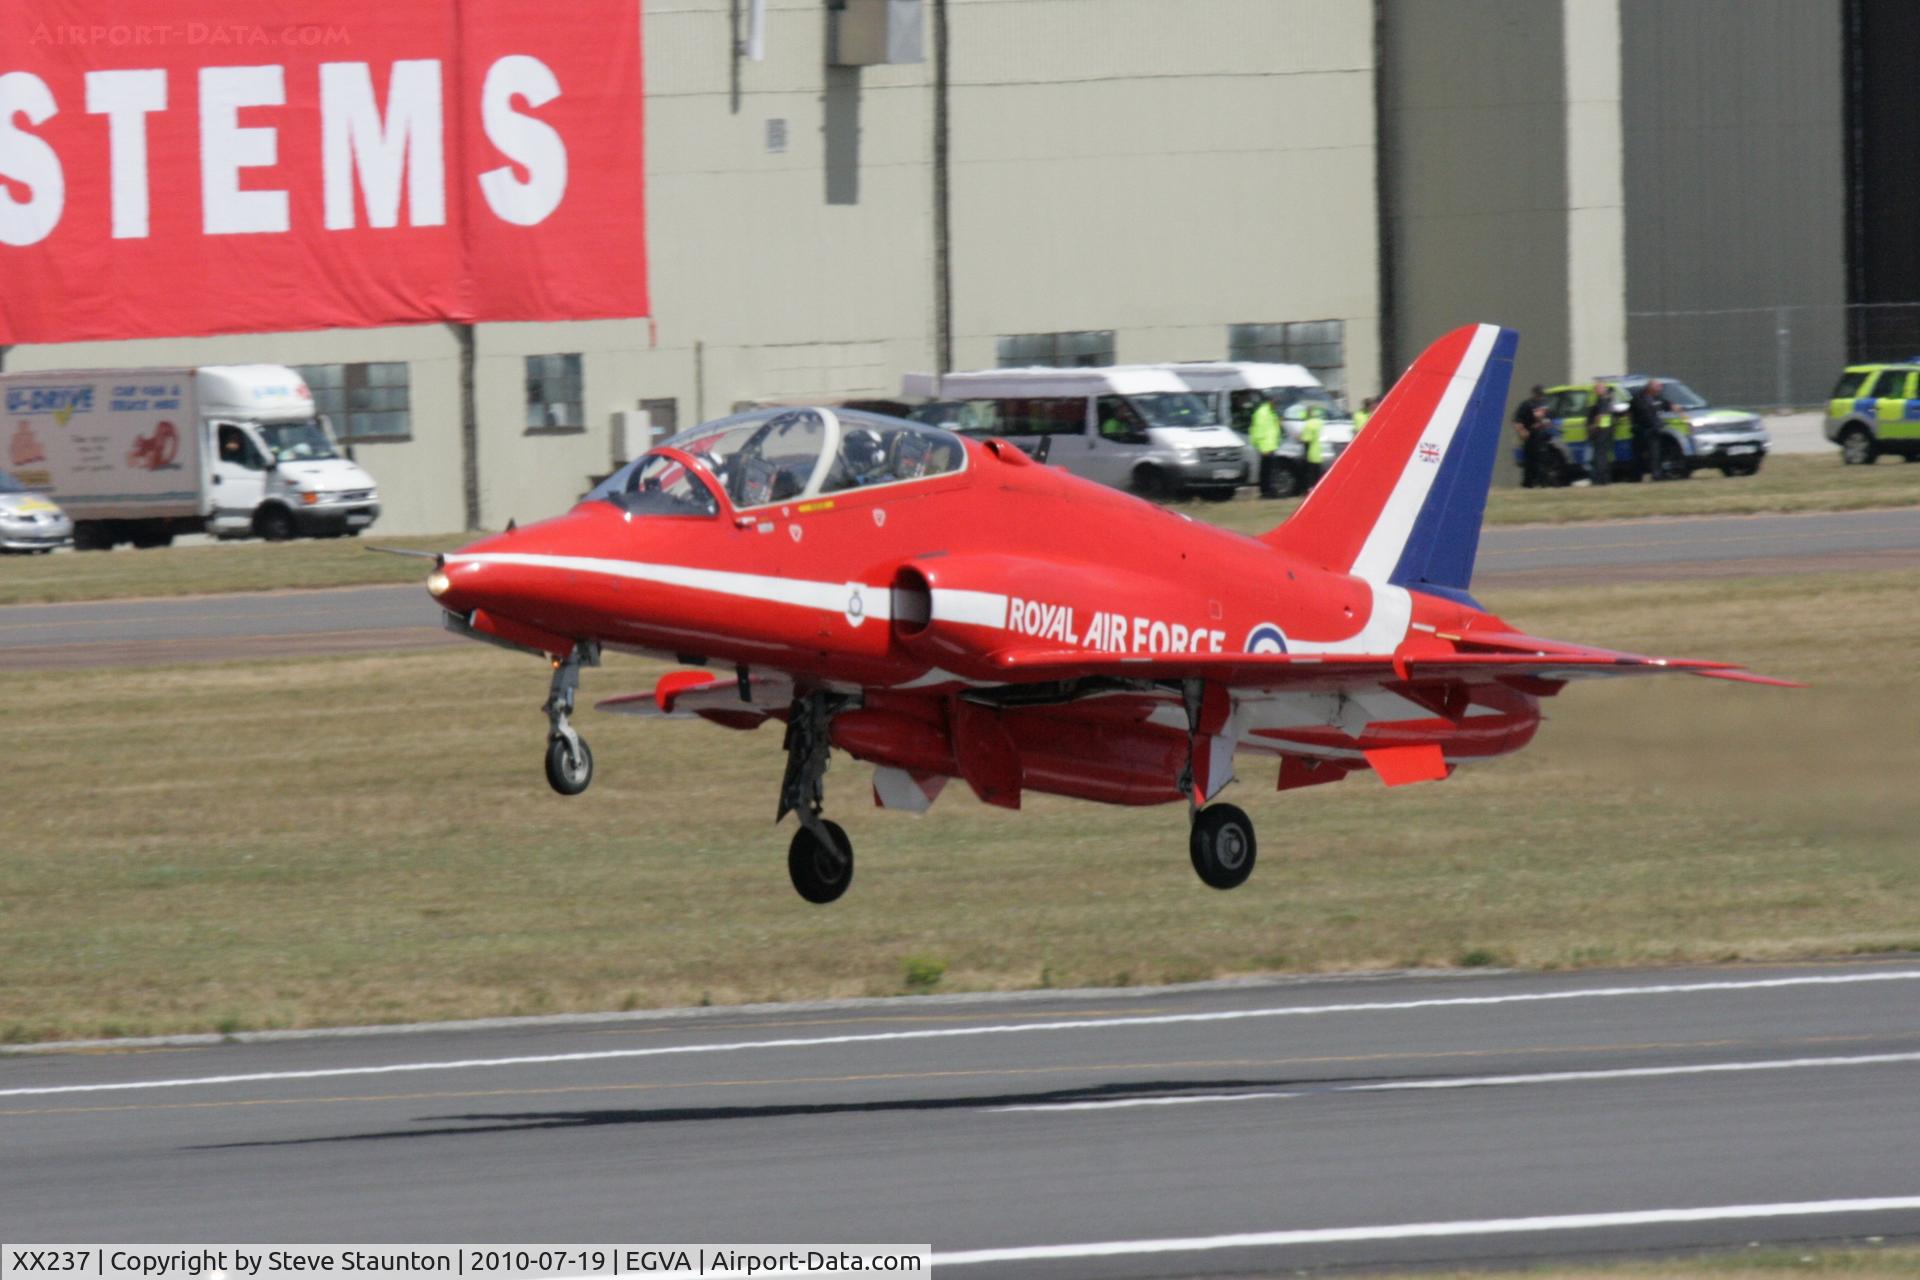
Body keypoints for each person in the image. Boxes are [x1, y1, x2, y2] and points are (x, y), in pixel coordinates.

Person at [1627, 378, 1673, 481]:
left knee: (1655, 454)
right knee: (1638, 456)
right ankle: (1636, 477)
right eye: (1657, 387)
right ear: (1650, 388)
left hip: (1654, 431)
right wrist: (1633, 424)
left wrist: (1673, 406)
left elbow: (1666, 405)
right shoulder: (1638, 398)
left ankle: (1656, 475)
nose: (1660, 389)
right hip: (1640, 431)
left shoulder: (1657, 398)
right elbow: (1630, 413)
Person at [1248, 392, 1285, 498]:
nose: (1277, 404)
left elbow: (1274, 429)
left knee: (1270, 470)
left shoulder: (1272, 412)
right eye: (1275, 402)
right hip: (1265, 447)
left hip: (1271, 445)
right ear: (1270, 401)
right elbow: (1258, 431)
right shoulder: (1262, 413)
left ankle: (1269, 490)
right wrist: (1262, 447)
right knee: (1266, 470)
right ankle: (1265, 491)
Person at [1584, 380, 1615, 486]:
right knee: (1603, 455)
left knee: (1600, 456)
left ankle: (1600, 479)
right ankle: (1604, 479)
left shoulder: (1603, 400)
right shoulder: (1608, 399)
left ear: (1602, 389)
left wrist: (1593, 427)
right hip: (1606, 430)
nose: (1595, 391)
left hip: (1601, 431)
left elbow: (1601, 416)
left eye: (1597, 389)